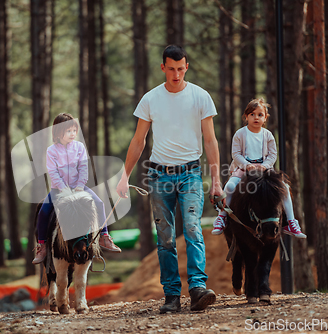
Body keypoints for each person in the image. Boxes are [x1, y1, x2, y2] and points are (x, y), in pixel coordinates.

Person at [116, 45, 223, 313]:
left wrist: (217, 180)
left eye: (181, 68)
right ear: (163, 67)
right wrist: (123, 176)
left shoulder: (200, 97)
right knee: (164, 238)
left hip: (190, 173)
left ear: (186, 67)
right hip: (159, 175)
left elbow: (210, 140)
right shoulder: (151, 99)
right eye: (171, 69)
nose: (176, 74)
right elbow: (138, 141)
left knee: (192, 228)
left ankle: (198, 288)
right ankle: (172, 296)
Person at [211, 98, 306, 239]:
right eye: (252, 114)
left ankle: (290, 222)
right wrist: (246, 165)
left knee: (284, 187)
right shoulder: (240, 134)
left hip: (264, 170)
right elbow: (236, 154)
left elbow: (273, 154)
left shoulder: (268, 135)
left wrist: (265, 166)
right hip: (243, 168)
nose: (256, 117)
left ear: (265, 117)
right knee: (230, 186)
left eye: (260, 115)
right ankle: (222, 217)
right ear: (246, 117)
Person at [33, 113, 121, 264]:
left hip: (79, 187)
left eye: (74, 130)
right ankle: (42, 245)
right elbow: (53, 172)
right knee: (44, 211)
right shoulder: (51, 151)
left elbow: (83, 168)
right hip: (58, 190)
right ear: (58, 132)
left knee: (99, 203)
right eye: (69, 131)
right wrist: (63, 189)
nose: (73, 134)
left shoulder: (79, 147)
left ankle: (104, 237)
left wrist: (80, 186)